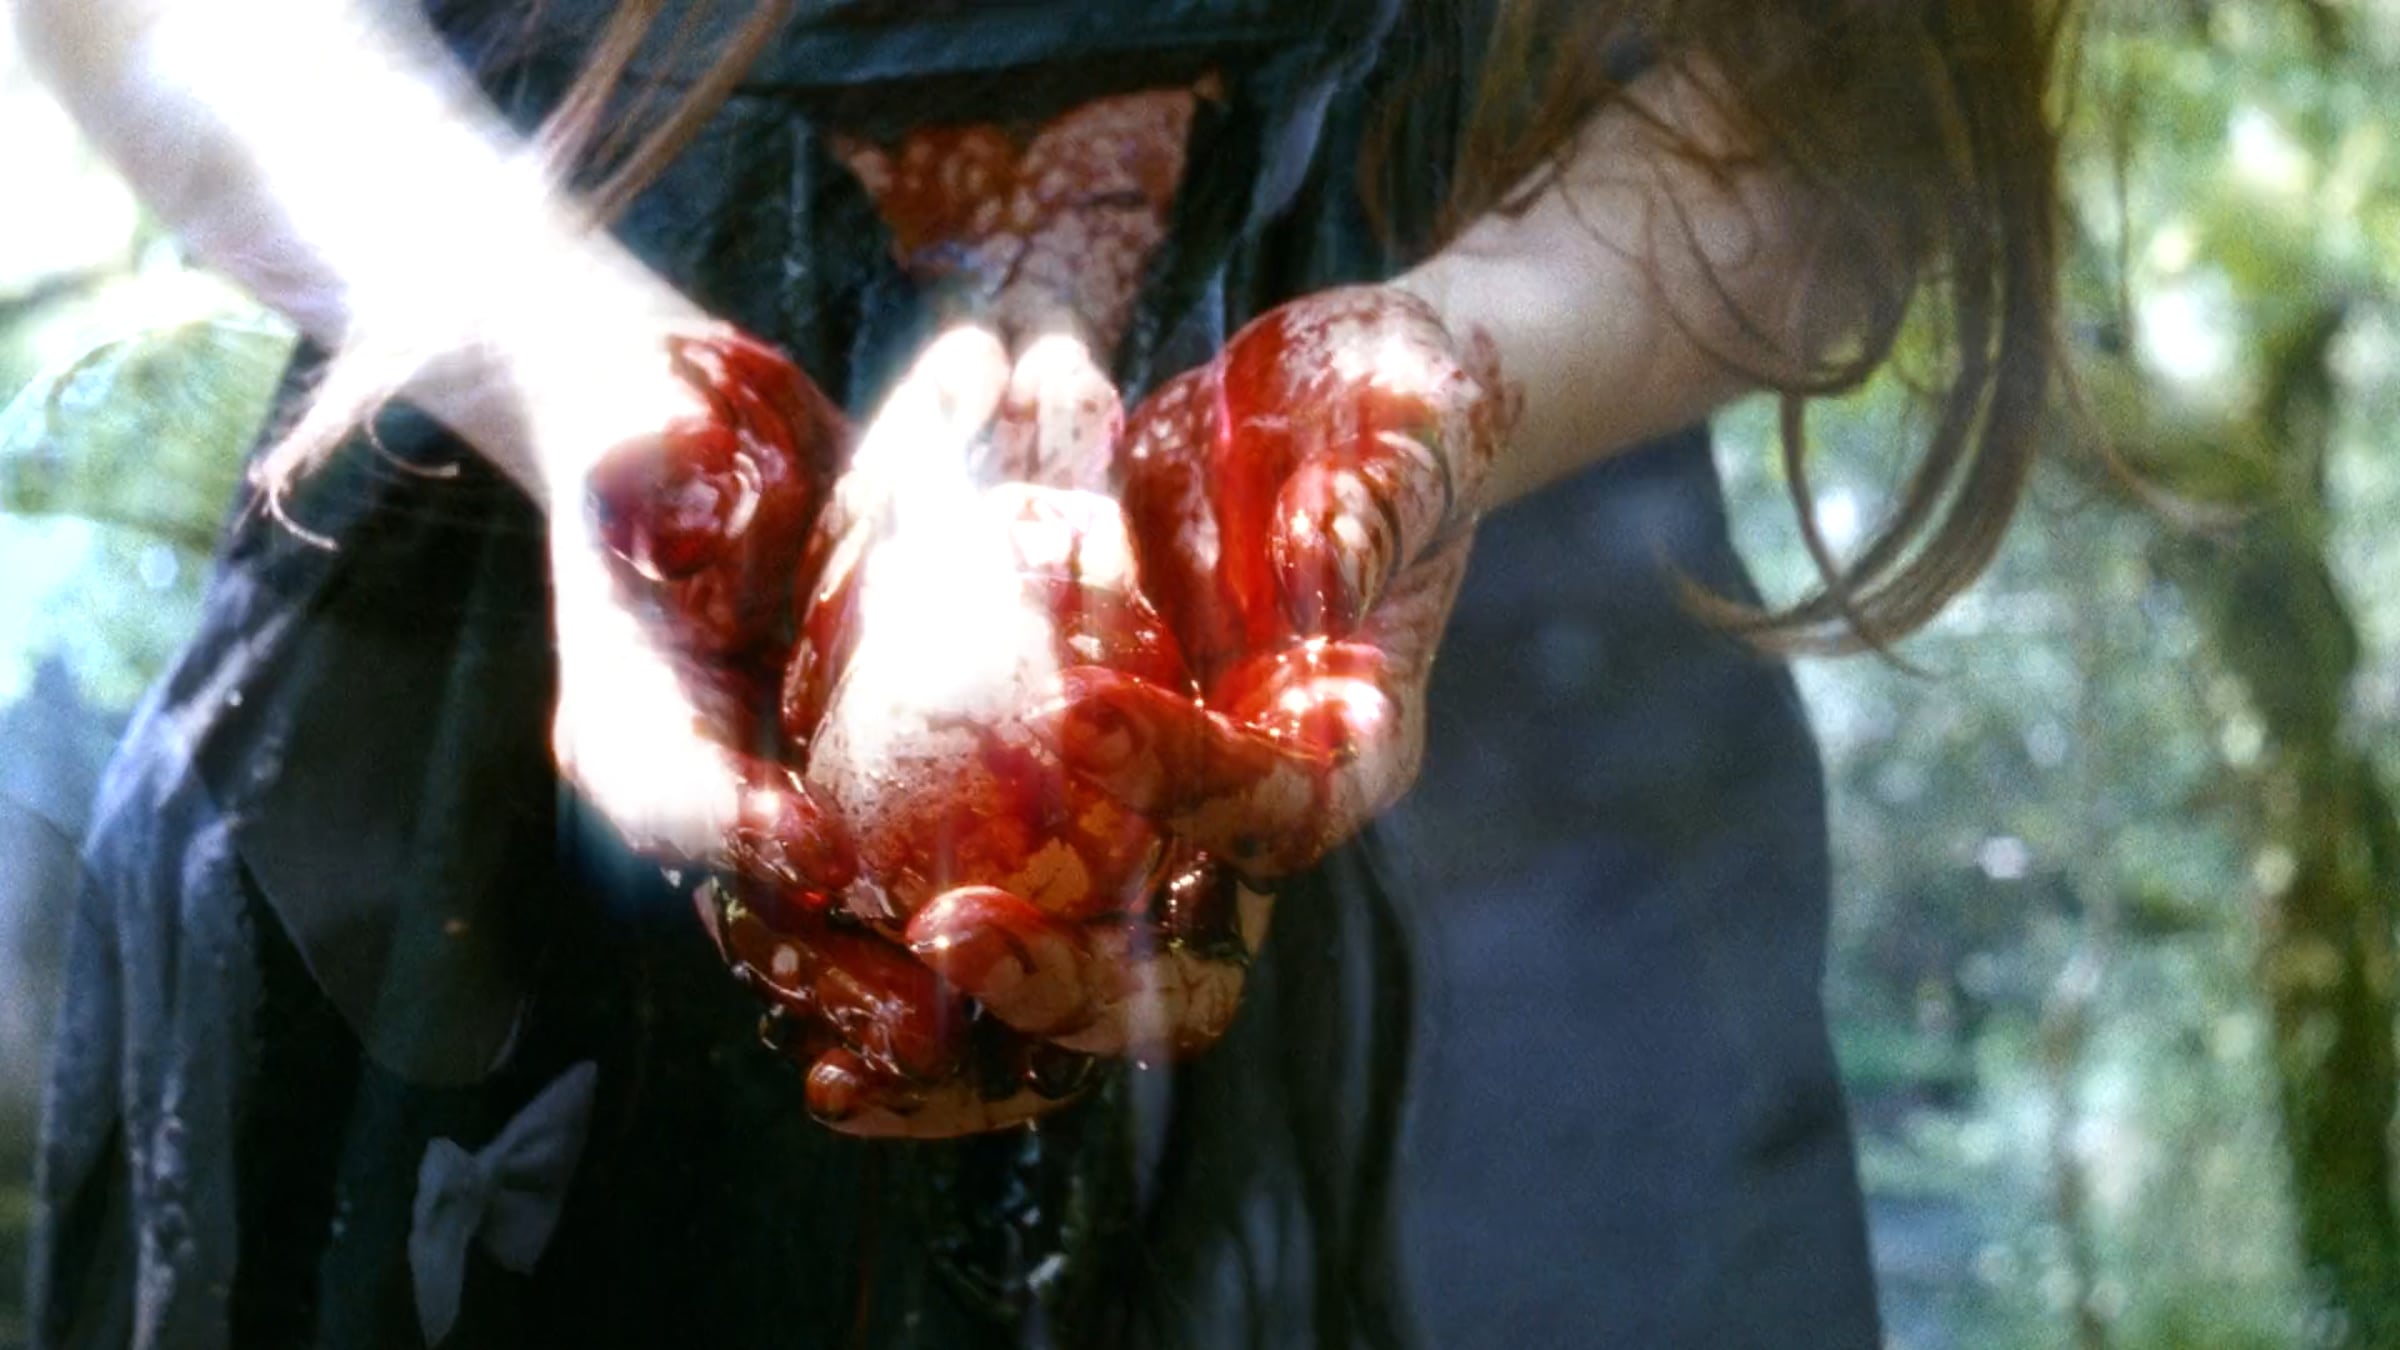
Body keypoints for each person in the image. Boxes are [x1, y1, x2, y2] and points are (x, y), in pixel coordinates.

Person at [16, 0, 2063, 1346]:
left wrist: (1485, 354)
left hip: (1508, 769)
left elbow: (1866, 71)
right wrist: (566, 364)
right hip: (481, 649)